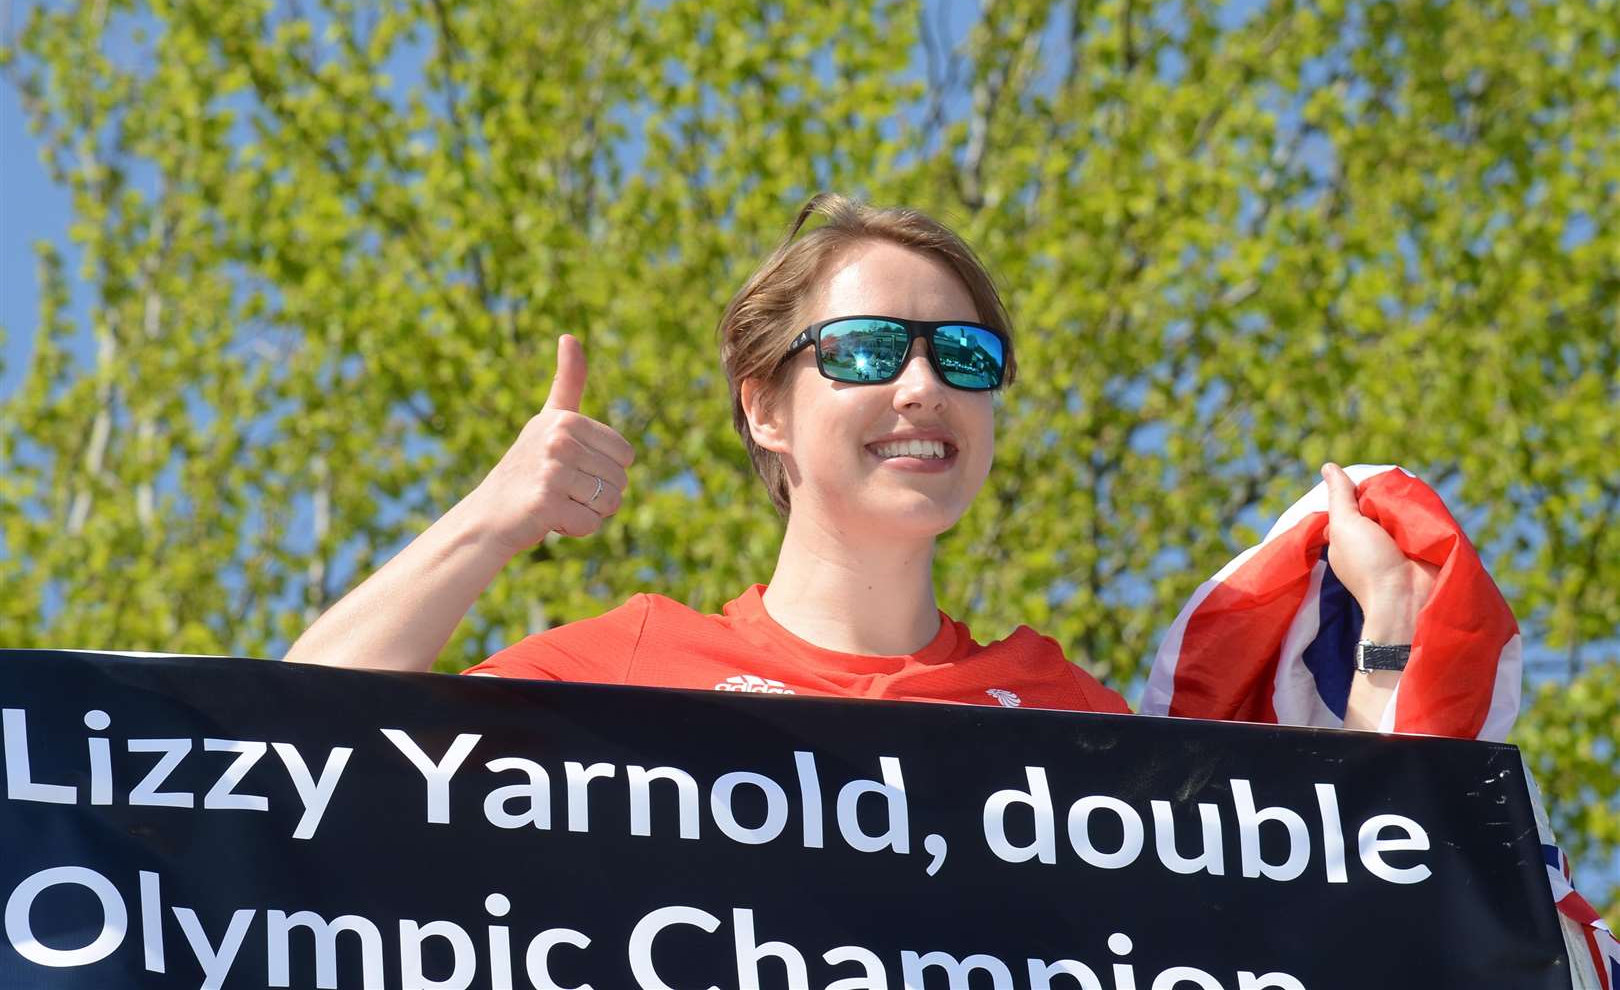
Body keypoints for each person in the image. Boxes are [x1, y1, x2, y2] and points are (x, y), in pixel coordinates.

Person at [286, 193, 1432, 729]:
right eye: (871, 350)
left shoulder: (1057, 708)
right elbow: (278, 744)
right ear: (766, 408)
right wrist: (492, 518)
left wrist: (1380, 646)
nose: (922, 386)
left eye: (965, 356)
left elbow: (1304, 903)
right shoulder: (631, 668)